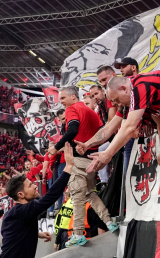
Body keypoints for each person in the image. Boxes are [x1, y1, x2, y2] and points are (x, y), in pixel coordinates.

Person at [47, 87, 118, 247]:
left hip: (78, 161)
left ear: (73, 97)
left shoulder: (72, 109)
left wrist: (56, 147)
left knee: (78, 197)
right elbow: (103, 133)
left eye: (63, 98)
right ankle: (109, 221)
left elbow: (72, 130)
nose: (61, 102)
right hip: (91, 161)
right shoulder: (91, 112)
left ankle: (78, 234)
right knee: (89, 194)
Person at [87, 71, 160, 172]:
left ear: (124, 89)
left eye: (116, 99)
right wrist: (86, 145)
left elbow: (129, 128)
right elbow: (111, 127)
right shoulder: (130, 99)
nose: (117, 104)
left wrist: (107, 154)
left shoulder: (140, 87)